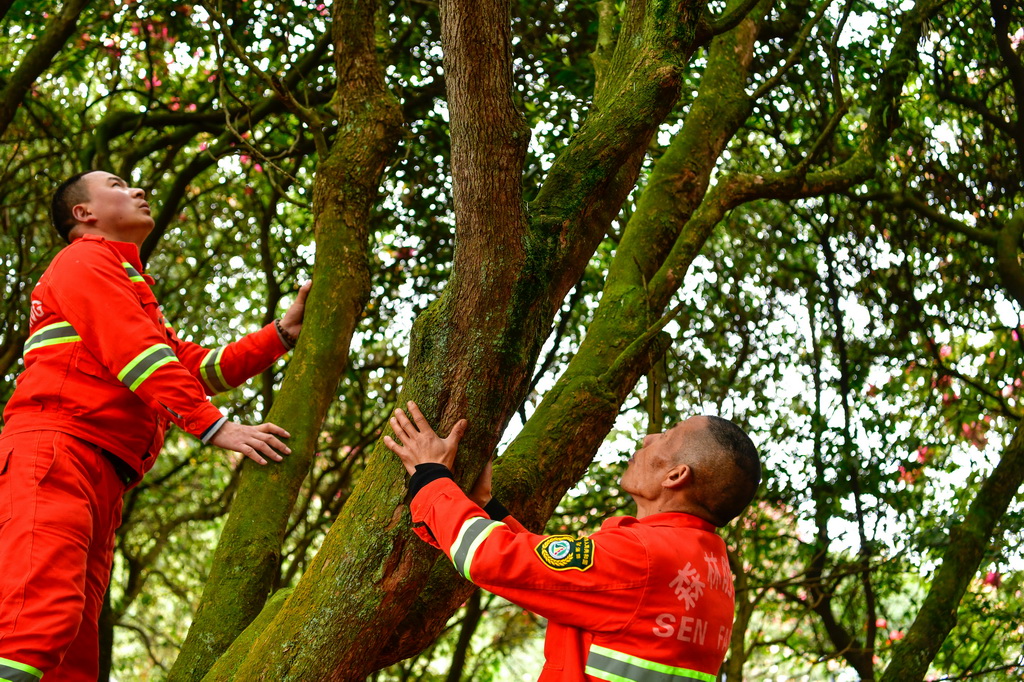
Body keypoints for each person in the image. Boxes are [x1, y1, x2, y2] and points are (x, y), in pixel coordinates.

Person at [0, 170, 309, 682]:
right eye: (118, 186)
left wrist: (280, 334)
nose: (138, 191)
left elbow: (192, 367)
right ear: (83, 213)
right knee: (36, 623)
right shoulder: (83, 260)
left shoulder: (126, 283)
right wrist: (216, 428)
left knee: (73, 656)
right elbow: (139, 355)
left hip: (100, 471)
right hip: (56, 453)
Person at [384, 401, 761, 682]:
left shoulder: (643, 557)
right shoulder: (712, 574)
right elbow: (555, 580)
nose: (648, 438)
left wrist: (430, 476)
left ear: (676, 476)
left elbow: (491, 558)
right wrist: (487, 508)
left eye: (666, 436)